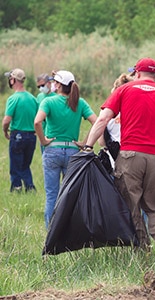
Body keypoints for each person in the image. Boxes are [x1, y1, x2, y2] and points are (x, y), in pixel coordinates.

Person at [83, 57, 155, 261]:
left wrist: (88, 146)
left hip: (130, 157)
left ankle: (142, 251)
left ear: (136, 73)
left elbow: (103, 119)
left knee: (131, 206)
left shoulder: (124, 90)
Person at [34, 70, 97, 228]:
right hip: (72, 152)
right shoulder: (80, 103)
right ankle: (68, 229)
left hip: (52, 151)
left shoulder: (48, 102)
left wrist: (43, 140)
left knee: (51, 195)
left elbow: (37, 122)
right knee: (69, 195)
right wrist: (85, 143)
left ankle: (51, 230)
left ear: (59, 85)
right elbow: (96, 122)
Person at [2, 68, 38, 192]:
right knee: (25, 165)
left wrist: (5, 131)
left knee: (16, 165)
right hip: (32, 136)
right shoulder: (33, 99)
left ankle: (16, 188)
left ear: (13, 80)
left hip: (17, 135)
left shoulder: (13, 99)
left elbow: (7, 120)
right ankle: (30, 187)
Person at [36, 73, 57, 153]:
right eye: (38, 87)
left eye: (42, 85)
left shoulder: (56, 96)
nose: (41, 88)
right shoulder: (39, 97)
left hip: (53, 133)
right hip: (43, 133)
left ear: (49, 83)